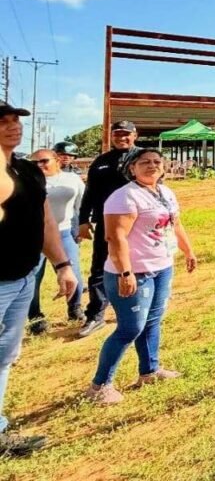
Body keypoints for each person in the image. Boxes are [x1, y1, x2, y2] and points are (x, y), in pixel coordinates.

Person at [86, 148, 197, 404]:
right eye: (144, 162)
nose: (152, 166)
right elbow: (115, 237)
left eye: (157, 162)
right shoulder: (124, 197)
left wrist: (188, 250)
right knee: (130, 328)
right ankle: (99, 386)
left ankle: (149, 371)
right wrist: (126, 272)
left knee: (153, 321)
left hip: (161, 267)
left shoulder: (165, 193)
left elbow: (175, 224)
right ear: (131, 168)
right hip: (133, 271)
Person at [0, 100, 78, 456]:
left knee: (5, 355)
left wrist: (62, 265)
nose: (13, 126)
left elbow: (46, 220)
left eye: (15, 120)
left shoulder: (29, 172)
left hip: (24, 275)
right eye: (3, 122)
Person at [78, 120, 137, 338]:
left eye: (126, 134)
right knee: (100, 266)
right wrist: (83, 219)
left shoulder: (143, 157)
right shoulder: (100, 162)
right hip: (106, 221)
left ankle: (134, 307)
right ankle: (96, 313)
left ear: (134, 135)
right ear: (111, 137)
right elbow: (90, 193)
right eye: (117, 134)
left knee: (137, 263)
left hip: (137, 221)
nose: (121, 138)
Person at [27, 149, 86, 333]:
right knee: (33, 279)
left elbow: (80, 205)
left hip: (64, 233)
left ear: (57, 160)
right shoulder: (26, 181)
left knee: (73, 273)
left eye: (44, 161)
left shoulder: (72, 180)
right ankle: (35, 317)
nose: (39, 165)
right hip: (33, 237)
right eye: (34, 163)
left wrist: (80, 228)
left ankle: (74, 308)